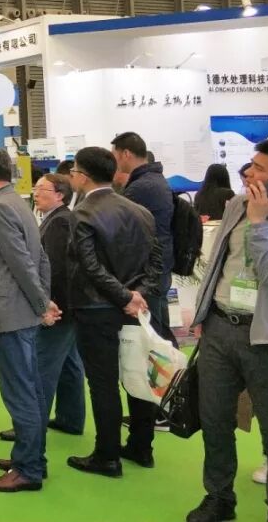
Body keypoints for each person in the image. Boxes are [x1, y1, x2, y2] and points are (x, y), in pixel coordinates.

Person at [185, 139, 268, 522]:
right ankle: (219, 498)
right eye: (250, 164)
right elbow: (218, 261)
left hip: (267, 339)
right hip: (221, 326)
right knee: (215, 420)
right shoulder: (236, 205)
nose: (248, 172)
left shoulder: (253, 214)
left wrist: (259, 223)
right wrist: (202, 313)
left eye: (260, 168)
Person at [66, 147, 162, 478]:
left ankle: (107, 454)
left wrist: (124, 297)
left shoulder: (82, 213)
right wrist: (137, 295)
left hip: (96, 309)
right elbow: (156, 262)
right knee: (138, 377)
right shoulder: (141, 212)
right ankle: (141, 446)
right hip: (135, 308)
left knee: (103, 382)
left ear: (82, 176)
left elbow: (90, 266)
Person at [0, 148, 54, 493]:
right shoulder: (16, 203)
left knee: (20, 393)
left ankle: (28, 468)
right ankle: (32, 457)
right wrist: (43, 299)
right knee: (30, 389)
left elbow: (22, 263)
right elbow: (41, 259)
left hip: (12, 315)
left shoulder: (2, 208)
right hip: (19, 312)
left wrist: (42, 304)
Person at [1, 173, 85, 443]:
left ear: (60, 194)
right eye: (35, 188)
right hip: (68, 306)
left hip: (57, 307)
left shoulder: (59, 222)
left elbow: (56, 269)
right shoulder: (58, 219)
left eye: (42, 189)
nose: (35, 193)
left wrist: (46, 306)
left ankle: (31, 429)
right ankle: (70, 419)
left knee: (41, 368)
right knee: (70, 364)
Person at [111, 132, 176, 343]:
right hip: (157, 268)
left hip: (149, 272)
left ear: (126, 154)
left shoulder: (141, 187)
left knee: (153, 336)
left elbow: (123, 228)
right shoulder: (153, 180)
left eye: (114, 156)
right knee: (158, 330)